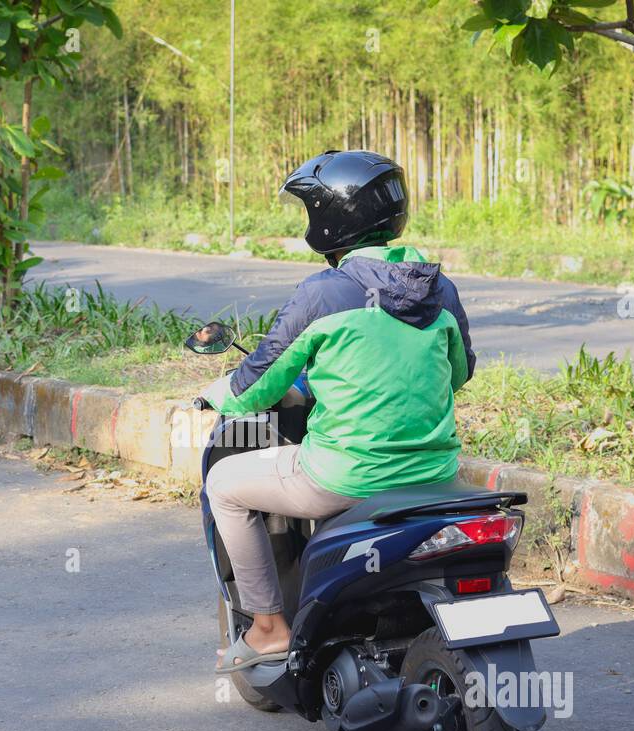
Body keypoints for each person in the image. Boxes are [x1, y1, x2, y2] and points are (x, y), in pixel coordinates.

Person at [201, 149, 476, 673]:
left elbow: (254, 388)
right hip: (435, 475)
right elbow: (458, 372)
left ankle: (267, 629)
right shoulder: (439, 289)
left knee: (226, 486)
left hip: (345, 476)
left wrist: (214, 396)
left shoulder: (323, 294)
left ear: (330, 217)